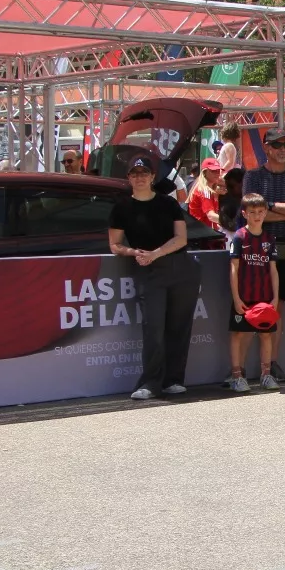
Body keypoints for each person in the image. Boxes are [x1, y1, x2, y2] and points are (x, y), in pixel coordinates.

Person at [108, 153, 199, 401]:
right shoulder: (122, 207)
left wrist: (156, 253)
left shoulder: (168, 204)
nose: (139, 177)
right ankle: (150, 382)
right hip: (148, 271)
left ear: (152, 177)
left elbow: (181, 238)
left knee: (179, 327)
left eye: (144, 173)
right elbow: (115, 245)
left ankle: (174, 380)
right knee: (153, 328)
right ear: (129, 178)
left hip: (180, 267)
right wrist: (133, 252)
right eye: (135, 174)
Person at [243, 131, 285, 379]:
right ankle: (238, 369)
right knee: (250, 305)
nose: (283, 149)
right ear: (266, 148)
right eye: (277, 144)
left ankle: (271, 363)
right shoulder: (253, 176)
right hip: (257, 246)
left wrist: (270, 207)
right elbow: (253, 214)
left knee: (276, 306)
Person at [227, 194, 282, 392]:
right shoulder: (240, 237)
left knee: (266, 335)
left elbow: (273, 270)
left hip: (265, 296)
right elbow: (233, 268)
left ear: (265, 212)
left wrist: (275, 297)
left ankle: (265, 375)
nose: (257, 216)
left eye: (260, 212)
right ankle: (237, 376)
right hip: (244, 295)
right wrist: (236, 297)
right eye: (252, 212)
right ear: (245, 214)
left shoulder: (269, 239)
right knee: (239, 334)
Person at [187, 158, 226, 231]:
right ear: (204, 172)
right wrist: (230, 223)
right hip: (202, 234)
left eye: (218, 170)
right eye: (213, 171)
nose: (217, 173)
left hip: (202, 232)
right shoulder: (205, 190)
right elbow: (211, 216)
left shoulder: (207, 189)